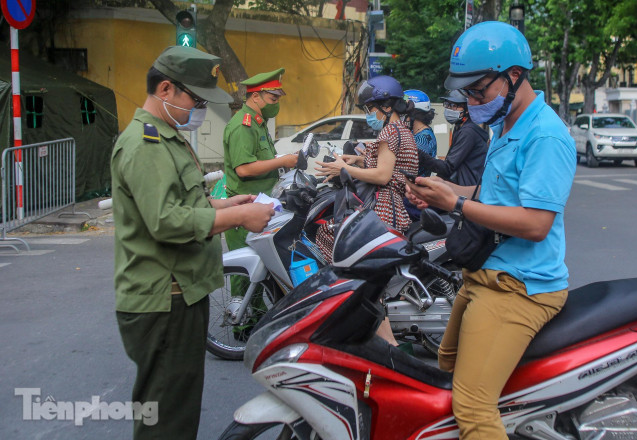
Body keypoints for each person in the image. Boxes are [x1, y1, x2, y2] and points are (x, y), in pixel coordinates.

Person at [406, 22, 576, 439]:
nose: (472, 100)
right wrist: (446, 191)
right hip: (483, 274)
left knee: (472, 405)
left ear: (514, 76)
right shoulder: (503, 126)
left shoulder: (546, 134)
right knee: (445, 364)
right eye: (467, 92)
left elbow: (536, 223)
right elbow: (491, 194)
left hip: (519, 286)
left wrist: (458, 205)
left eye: (479, 90)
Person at [111, 46, 275, 440]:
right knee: (168, 418)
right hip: (163, 298)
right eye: (196, 99)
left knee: (176, 407)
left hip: (179, 293)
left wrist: (225, 202)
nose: (199, 108)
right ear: (165, 89)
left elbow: (180, 201)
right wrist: (238, 217)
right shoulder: (145, 144)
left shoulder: (166, 137)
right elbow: (165, 221)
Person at [315, 75, 418, 353]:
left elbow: (383, 175)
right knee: (370, 277)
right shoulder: (402, 130)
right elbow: (392, 166)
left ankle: (389, 346)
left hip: (384, 209)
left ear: (386, 106)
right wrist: (358, 160)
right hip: (394, 208)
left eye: (370, 108)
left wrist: (343, 170)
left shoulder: (388, 133)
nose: (369, 114)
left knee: (359, 270)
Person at [223, 68, 299, 255]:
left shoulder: (259, 122)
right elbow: (244, 169)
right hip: (245, 208)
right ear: (256, 97)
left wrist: (285, 159)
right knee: (246, 275)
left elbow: (263, 159)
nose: (276, 105)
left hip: (262, 203)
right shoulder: (244, 125)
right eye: (273, 99)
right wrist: (282, 162)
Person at [419, 90, 488, 186]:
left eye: (454, 106)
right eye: (447, 105)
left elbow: (448, 168)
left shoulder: (468, 132)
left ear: (467, 109)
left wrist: (419, 154)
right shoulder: (460, 128)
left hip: (466, 190)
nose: (449, 109)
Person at [403, 89, 437, 177]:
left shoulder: (424, 138)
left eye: (403, 112)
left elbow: (406, 166)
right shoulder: (414, 132)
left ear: (413, 113)